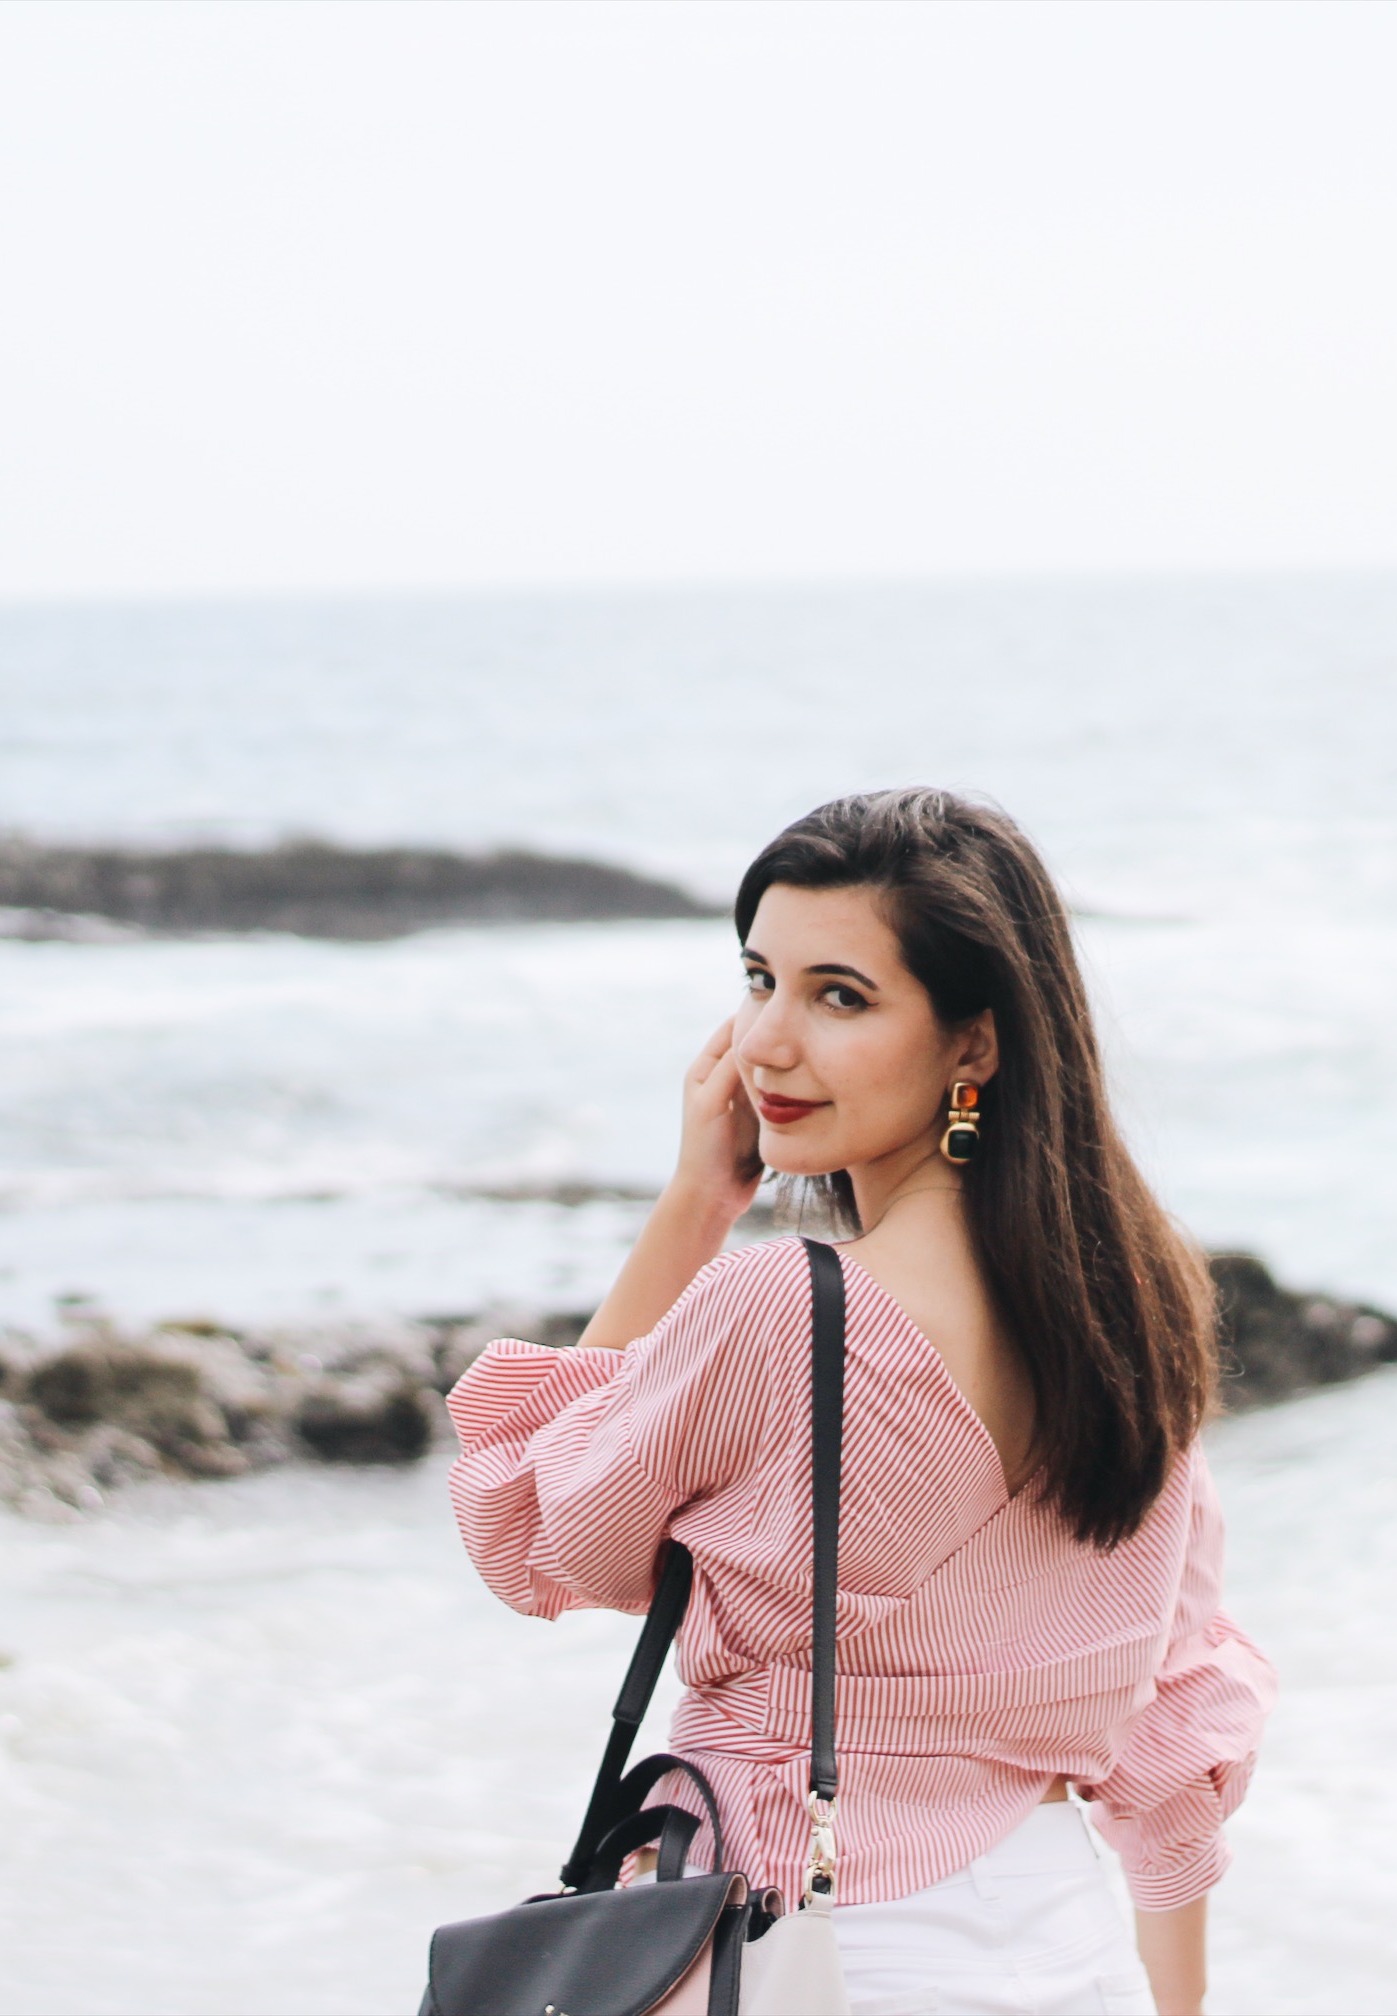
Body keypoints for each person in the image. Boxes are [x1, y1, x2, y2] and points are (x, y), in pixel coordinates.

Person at [447, 788, 1275, 2016]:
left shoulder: (781, 1308)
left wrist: (692, 1209)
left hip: (814, 1945)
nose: (767, 1045)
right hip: (1064, 1942)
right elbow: (1179, 1712)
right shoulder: (1133, 1317)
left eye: (841, 996)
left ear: (975, 1043)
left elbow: (524, 1533)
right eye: (758, 979)